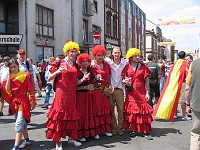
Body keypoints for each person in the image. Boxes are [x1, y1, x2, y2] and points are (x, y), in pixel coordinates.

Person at [45, 40, 81, 150]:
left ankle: (72, 138)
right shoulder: (59, 63)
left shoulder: (75, 65)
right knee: (59, 116)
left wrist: (84, 79)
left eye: (75, 52)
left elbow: (76, 82)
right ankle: (58, 141)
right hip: (61, 93)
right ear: (66, 52)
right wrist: (58, 72)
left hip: (72, 94)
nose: (73, 54)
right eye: (71, 51)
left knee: (71, 115)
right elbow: (48, 77)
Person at [1, 59, 36, 150]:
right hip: (15, 102)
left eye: (14, 66)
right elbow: (7, 89)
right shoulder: (10, 77)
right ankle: (27, 140)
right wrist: (9, 76)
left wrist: (32, 101)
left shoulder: (24, 75)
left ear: (18, 66)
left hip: (23, 101)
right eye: (11, 67)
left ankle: (15, 146)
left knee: (19, 123)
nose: (13, 68)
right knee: (22, 123)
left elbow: (30, 89)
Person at [122, 48, 153, 140]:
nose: (137, 57)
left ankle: (145, 131)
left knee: (143, 112)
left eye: (138, 55)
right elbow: (123, 79)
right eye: (135, 56)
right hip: (131, 93)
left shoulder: (144, 67)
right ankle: (132, 129)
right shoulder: (126, 67)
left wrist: (147, 92)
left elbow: (147, 80)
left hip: (141, 92)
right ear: (130, 57)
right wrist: (125, 81)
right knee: (132, 112)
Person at [153, 51, 189, 121]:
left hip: (174, 83)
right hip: (183, 83)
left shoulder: (174, 64)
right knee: (182, 100)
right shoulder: (186, 64)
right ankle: (184, 116)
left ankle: (175, 114)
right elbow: (187, 75)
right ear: (184, 56)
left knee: (175, 98)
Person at [90, 45, 113, 139]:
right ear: (94, 56)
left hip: (105, 91)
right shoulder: (92, 66)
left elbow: (110, 77)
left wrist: (111, 85)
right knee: (96, 111)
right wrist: (94, 78)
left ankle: (105, 129)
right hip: (96, 92)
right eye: (98, 55)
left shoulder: (107, 65)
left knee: (105, 110)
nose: (100, 57)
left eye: (102, 55)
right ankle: (96, 131)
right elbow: (90, 80)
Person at [104, 46, 128, 136]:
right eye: (115, 53)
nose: (116, 54)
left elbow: (136, 60)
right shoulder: (108, 61)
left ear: (121, 53)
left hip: (120, 90)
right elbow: (97, 58)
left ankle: (120, 128)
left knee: (120, 110)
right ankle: (113, 128)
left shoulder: (125, 62)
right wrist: (94, 62)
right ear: (112, 54)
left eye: (118, 52)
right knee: (111, 111)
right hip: (110, 89)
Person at [76, 53, 96, 141]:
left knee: (89, 114)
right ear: (80, 62)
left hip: (88, 96)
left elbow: (93, 83)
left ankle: (90, 133)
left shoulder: (90, 72)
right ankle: (80, 134)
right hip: (80, 96)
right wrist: (85, 85)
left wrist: (95, 81)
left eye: (86, 61)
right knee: (81, 115)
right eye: (83, 61)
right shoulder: (78, 73)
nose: (85, 63)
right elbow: (75, 86)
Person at [185, 58, 200, 150]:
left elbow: (187, 88)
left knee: (196, 134)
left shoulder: (194, 64)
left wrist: (188, 104)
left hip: (197, 103)